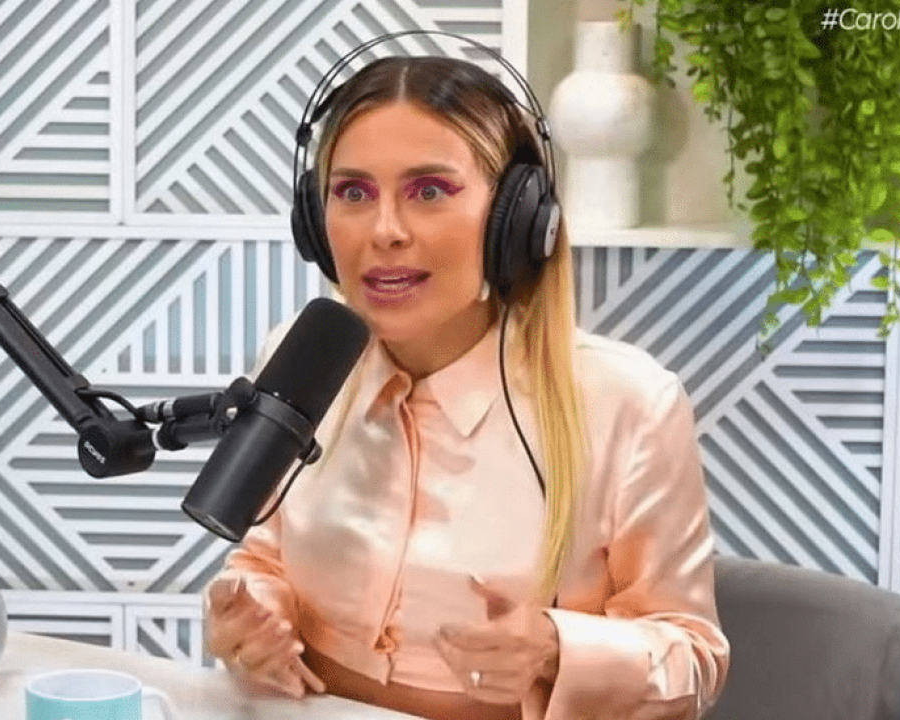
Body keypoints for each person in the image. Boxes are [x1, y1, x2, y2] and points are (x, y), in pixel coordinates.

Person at [203, 53, 730, 720]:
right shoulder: (301, 359)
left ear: (514, 219)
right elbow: (265, 560)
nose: (385, 231)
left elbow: (693, 657)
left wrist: (556, 650)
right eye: (354, 193)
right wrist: (253, 622)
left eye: (429, 191)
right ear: (314, 218)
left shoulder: (628, 403)